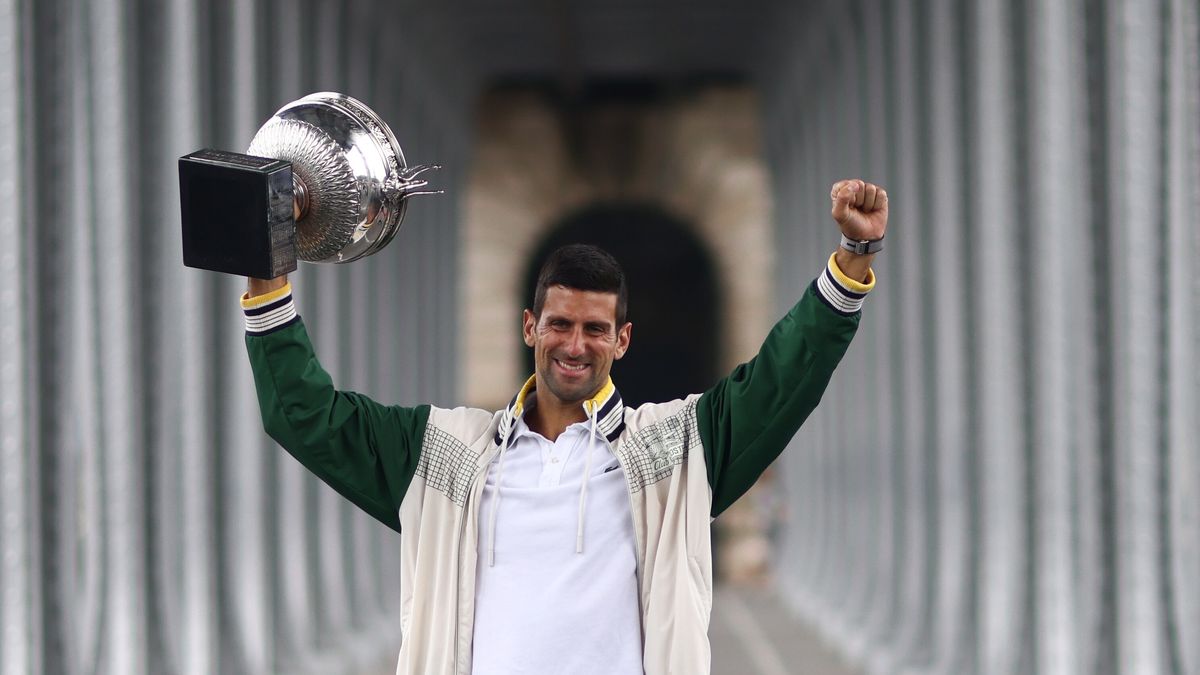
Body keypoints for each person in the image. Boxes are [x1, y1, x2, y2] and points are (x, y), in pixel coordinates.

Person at [241, 178, 888, 674]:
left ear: (623, 340)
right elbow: (305, 415)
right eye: (559, 324)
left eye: (595, 329)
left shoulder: (672, 449)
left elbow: (780, 382)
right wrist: (265, 260)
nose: (575, 344)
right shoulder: (443, 454)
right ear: (530, 326)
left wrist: (853, 256)